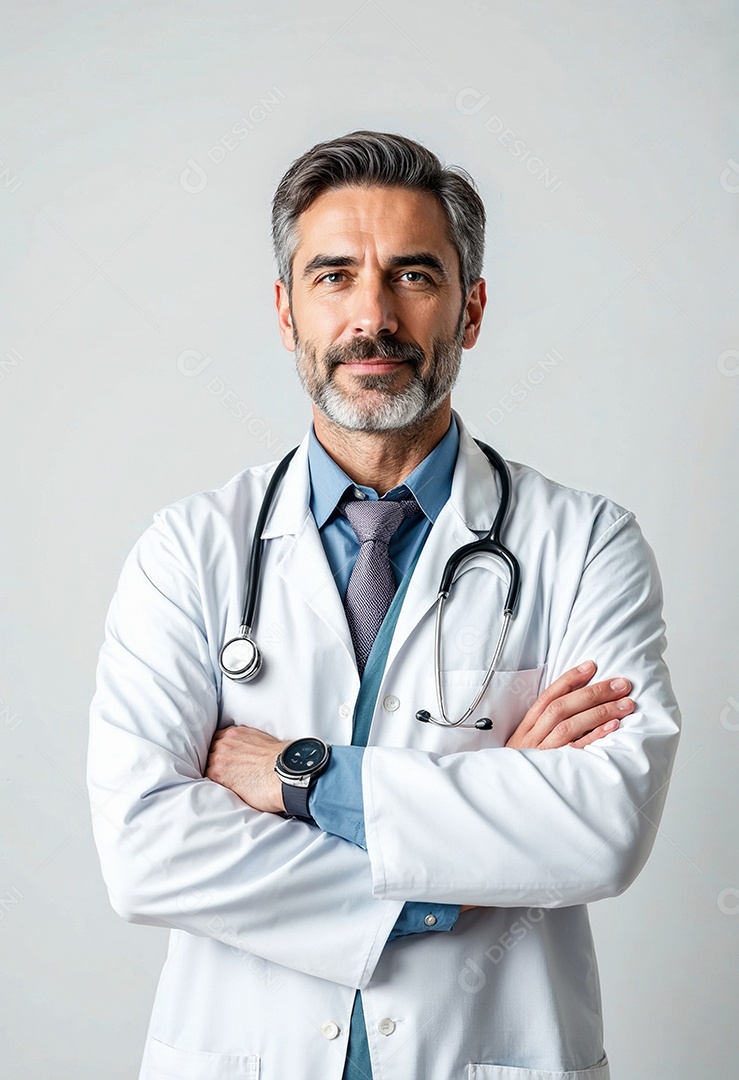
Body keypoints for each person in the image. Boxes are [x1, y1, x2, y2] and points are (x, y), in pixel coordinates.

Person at [87, 131, 681, 1080]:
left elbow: (600, 827)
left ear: (471, 308)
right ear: (286, 313)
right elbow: (146, 849)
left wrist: (300, 777)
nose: (373, 315)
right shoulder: (187, 552)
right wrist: (461, 863)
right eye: (333, 277)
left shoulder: (585, 544)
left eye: (412, 275)